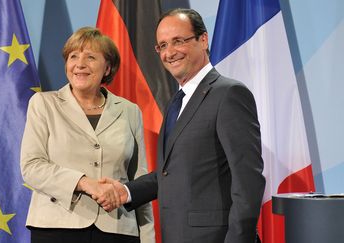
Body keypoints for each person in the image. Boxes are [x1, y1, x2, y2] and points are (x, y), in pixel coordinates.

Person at [100, 8, 265, 243]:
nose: (169, 53)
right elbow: (171, 174)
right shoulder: (176, 102)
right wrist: (124, 191)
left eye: (178, 41)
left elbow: (248, 179)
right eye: (163, 45)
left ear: (203, 39)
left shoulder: (229, 94)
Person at [20, 27, 155, 243]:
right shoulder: (43, 104)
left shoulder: (130, 111)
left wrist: (147, 238)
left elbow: (139, 180)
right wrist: (84, 182)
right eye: (73, 56)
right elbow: (32, 166)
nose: (79, 64)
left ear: (108, 67)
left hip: (118, 230)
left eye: (90, 57)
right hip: (57, 228)